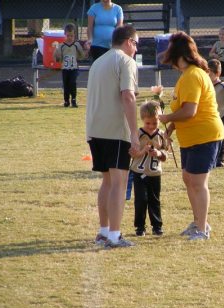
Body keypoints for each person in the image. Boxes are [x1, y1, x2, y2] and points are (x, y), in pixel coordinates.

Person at [158, 32, 224, 241]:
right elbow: (182, 110)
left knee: (198, 182)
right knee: (189, 179)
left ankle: (202, 228)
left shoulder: (193, 75)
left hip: (204, 135)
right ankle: (198, 222)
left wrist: (165, 117)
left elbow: (189, 111)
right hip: (191, 138)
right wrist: (168, 131)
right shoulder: (185, 77)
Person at [86, 25, 140, 249]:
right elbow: (128, 96)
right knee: (119, 182)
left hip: (95, 129)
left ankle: (104, 231)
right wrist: (135, 134)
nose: (136, 48)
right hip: (115, 130)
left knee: (107, 181)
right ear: (128, 41)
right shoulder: (126, 61)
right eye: (136, 43)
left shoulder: (98, 61)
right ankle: (115, 236)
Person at [130, 101, 168, 237]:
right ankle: (140, 227)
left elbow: (166, 155)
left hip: (154, 173)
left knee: (154, 200)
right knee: (140, 200)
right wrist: (142, 151)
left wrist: (159, 154)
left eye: (154, 123)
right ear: (142, 120)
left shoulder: (162, 134)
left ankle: (157, 226)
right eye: (148, 123)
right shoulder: (137, 134)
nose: (151, 126)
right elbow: (132, 154)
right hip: (139, 172)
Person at [54, 23, 87, 108]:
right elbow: (58, 59)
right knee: (66, 84)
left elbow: (82, 56)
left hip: (74, 68)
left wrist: (85, 51)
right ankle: (66, 100)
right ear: (65, 35)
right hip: (65, 69)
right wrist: (57, 56)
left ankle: (74, 99)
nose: (69, 38)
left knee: (73, 83)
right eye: (68, 35)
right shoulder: (61, 46)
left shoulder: (76, 45)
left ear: (74, 35)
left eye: (71, 36)